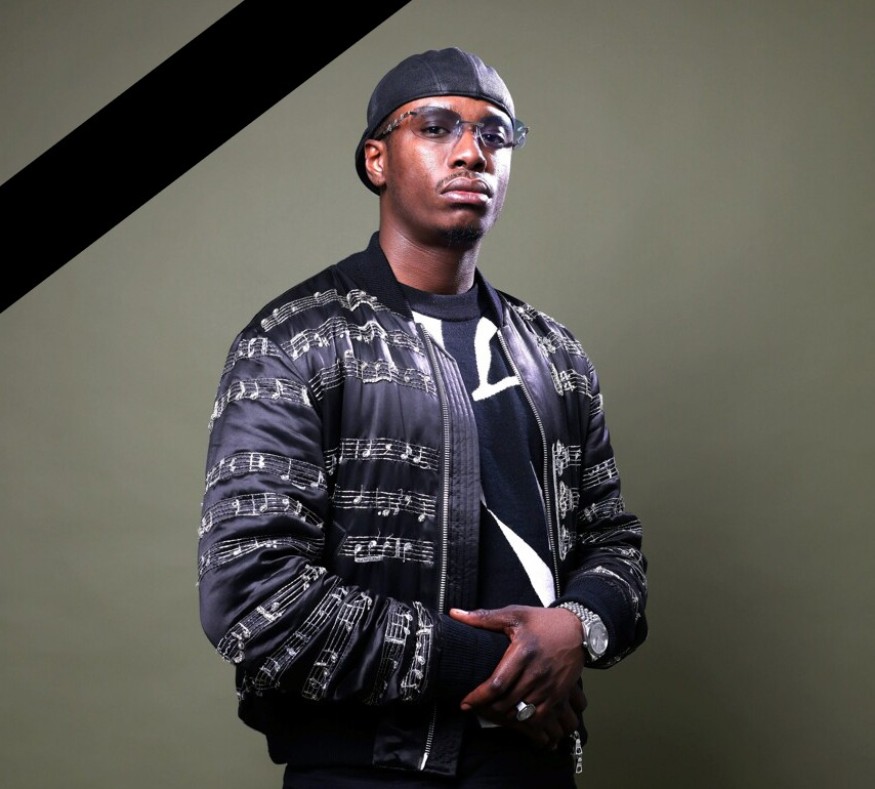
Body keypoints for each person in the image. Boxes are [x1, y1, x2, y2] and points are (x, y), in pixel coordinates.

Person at [198, 47, 647, 787]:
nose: (471, 152)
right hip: (367, 768)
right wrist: (512, 666)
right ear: (377, 159)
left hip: (533, 766)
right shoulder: (297, 340)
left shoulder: (554, 353)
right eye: (436, 127)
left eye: (495, 134)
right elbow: (254, 595)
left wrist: (574, 627)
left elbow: (614, 544)